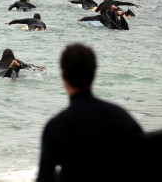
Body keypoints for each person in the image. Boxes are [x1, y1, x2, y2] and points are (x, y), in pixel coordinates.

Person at [36, 44, 143, 181]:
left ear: (63, 76)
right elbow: (145, 165)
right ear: (94, 74)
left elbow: (44, 177)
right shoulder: (121, 117)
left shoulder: (55, 127)